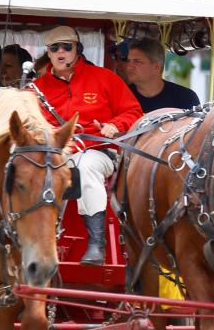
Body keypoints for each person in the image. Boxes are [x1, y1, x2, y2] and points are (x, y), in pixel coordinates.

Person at [33, 26, 143, 264]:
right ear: (48, 53)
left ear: (78, 49)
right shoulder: (37, 88)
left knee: (84, 166)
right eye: (54, 48)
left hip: (99, 151)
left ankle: (96, 243)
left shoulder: (105, 78)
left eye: (66, 47)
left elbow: (134, 112)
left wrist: (114, 125)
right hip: (55, 154)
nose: (60, 52)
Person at [123, 38, 200, 113]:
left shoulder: (185, 97)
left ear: (156, 66)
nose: (129, 66)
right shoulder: (121, 97)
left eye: (137, 61)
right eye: (128, 61)